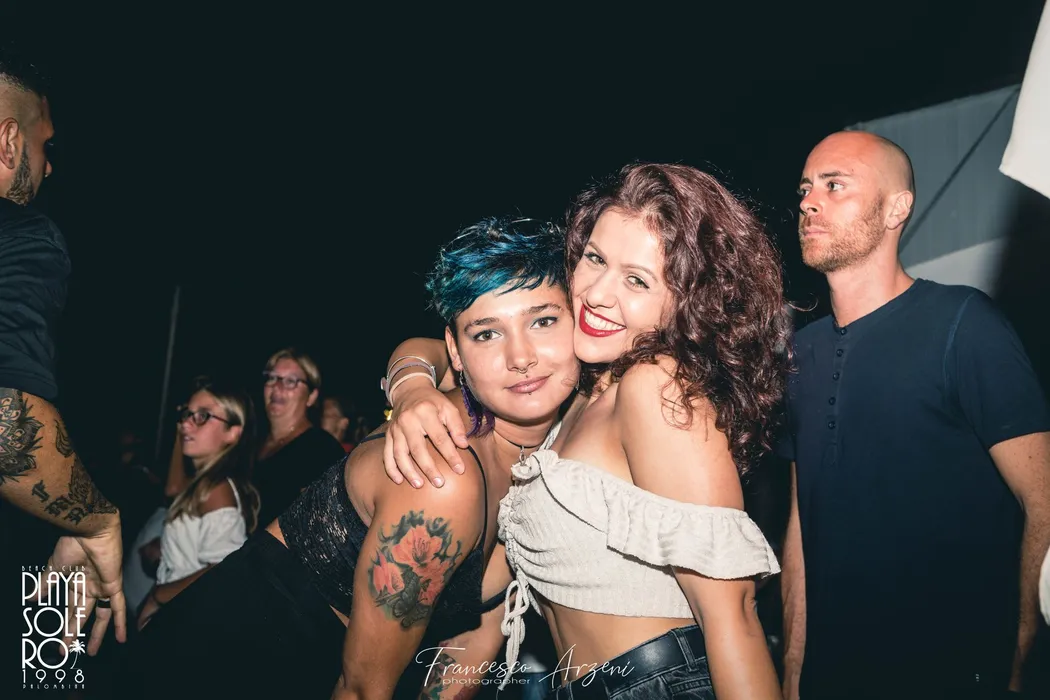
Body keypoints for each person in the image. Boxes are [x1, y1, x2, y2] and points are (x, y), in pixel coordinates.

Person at [115, 217, 580, 699]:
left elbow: (475, 635)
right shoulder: (442, 474)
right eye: (486, 334)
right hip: (216, 668)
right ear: (456, 353)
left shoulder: (547, 457)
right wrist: (411, 385)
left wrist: (411, 382)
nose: (520, 357)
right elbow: (362, 689)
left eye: (542, 321)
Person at [384, 164, 788, 699]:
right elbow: (446, 342)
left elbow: (733, 616)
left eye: (636, 280)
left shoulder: (656, 385)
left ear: (689, 302)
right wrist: (411, 386)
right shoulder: (581, 392)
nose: (597, 294)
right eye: (595, 259)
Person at [779, 131, 1050, 699]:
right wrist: (794, 671)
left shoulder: (963, 323)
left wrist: (1023, 664)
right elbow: (804, 523)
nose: (809, 202)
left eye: (834, 185)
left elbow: (1044, 500)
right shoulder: (800, 353)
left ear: (896, 209)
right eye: (805, 189)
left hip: (956, 676)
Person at [0, 53, 125, 654]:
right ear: (9, 140)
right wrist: (98, 522)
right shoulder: (22, 232)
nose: (48, 166)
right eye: (44, 145)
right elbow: (6, 421)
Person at [135, 377, 259, 628]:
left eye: (203, 416)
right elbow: (172, 489)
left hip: (187, 619)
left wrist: (158, 597)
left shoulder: (218, 491)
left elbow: (225, 568)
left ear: (232, 432)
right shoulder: (205, 482)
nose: (186, 423)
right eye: (186, 414)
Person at [254, 348, 346, 527]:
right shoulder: (250, 441)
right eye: (272, 378)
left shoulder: (322, 449)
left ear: (311, 396)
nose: (277, 386)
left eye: (290, 381)